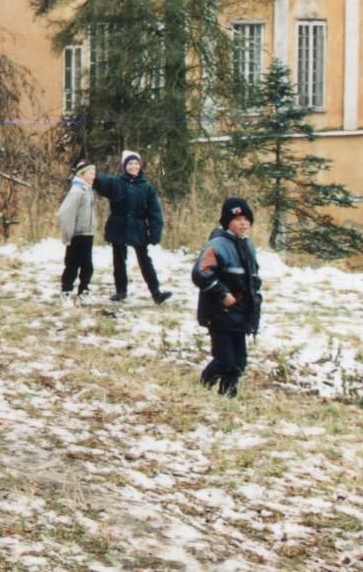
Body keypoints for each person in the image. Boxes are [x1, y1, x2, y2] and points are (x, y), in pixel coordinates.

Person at [191, 197, 263, 396]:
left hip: (240, 315)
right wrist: (222, 293)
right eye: (237, 219)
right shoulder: (218, 244)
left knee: (239, 363)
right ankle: (201, 389)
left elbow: (253, 278)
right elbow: (201, 272)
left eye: (246, 219)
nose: (243, 223)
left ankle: (227, 397)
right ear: (226, 222)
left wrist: (255, 301)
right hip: (220, 314)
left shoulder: (248, 246)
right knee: (224, 361)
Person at [93, 150, 172, 304]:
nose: (133, 166)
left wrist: (155, 232)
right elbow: (97, 180)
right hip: (118, 228)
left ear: (140, 166)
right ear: (125, 166)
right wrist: (85, 168)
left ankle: (156, 294)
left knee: (145, 262)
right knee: (119, 261)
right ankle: (121, 292)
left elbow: (155, 213)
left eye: (136, 163)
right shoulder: (116, 183)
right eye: (130, 163)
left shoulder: (147, 188)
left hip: (138, 230)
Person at [55, 158, 98, 303]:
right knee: (72, 265)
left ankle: (83, 292)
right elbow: (64, 214)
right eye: (91, 173)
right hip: (77, 235)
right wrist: (68, 235)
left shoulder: (87, 189)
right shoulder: (77, 191)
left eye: (94, 173)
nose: (94, 176)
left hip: (87, 233)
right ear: (81, 175)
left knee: (87, 265)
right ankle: (66, 292)